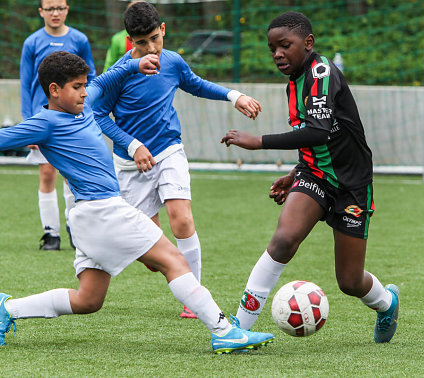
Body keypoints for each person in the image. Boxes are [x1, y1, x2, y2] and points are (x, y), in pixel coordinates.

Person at [0, 51, 274, 354]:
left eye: (84, 85)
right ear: (54, 90)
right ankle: (223, 331)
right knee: (174, 260)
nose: (84, 91)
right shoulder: (45, 123)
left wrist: (134, 64)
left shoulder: (85, 103)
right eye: (77, 86)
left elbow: (106, 79)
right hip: (104, 211)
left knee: (88, 300)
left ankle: (7, 309)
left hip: (89, 217)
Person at [221, 11, 400, 343]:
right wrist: (296, 173)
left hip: (352, 185)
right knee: (284, 240)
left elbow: (317, 131)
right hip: (315, 175)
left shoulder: (321, 74)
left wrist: (258, 142)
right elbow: (317, 136)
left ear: (308, 43)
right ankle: (238, 329)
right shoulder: (295, 78)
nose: (278, 54)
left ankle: (387, 302)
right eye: (272, 48)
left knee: (349, 281)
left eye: (285, 46)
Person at [92, 1, 262, 319]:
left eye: (155, 38)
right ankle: (174, 267)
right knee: (152, 255)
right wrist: (132, 146)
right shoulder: (118, 73)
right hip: (131, 165)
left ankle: (194, 299)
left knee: (181, 218)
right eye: (141, 43)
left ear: (164, 30)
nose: (150, 48)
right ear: (130, 41)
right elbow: (98, 114)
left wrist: (233, 95)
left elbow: (195, 84)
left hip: (169, 150)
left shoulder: (172, 61)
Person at [20, 0, 97, 250]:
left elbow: (91, 78)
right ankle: (50, 233)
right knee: (46, 173)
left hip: (70, 119)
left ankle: (75, 229)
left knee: (70, 174)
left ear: (67, 9)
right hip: (41, 119)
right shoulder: (31, 42)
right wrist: (28, 124)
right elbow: (25, 84)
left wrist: (87, 112)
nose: (55, 13)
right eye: (50, 8)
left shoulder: (80, 39)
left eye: (60, 8)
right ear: (41, 11)